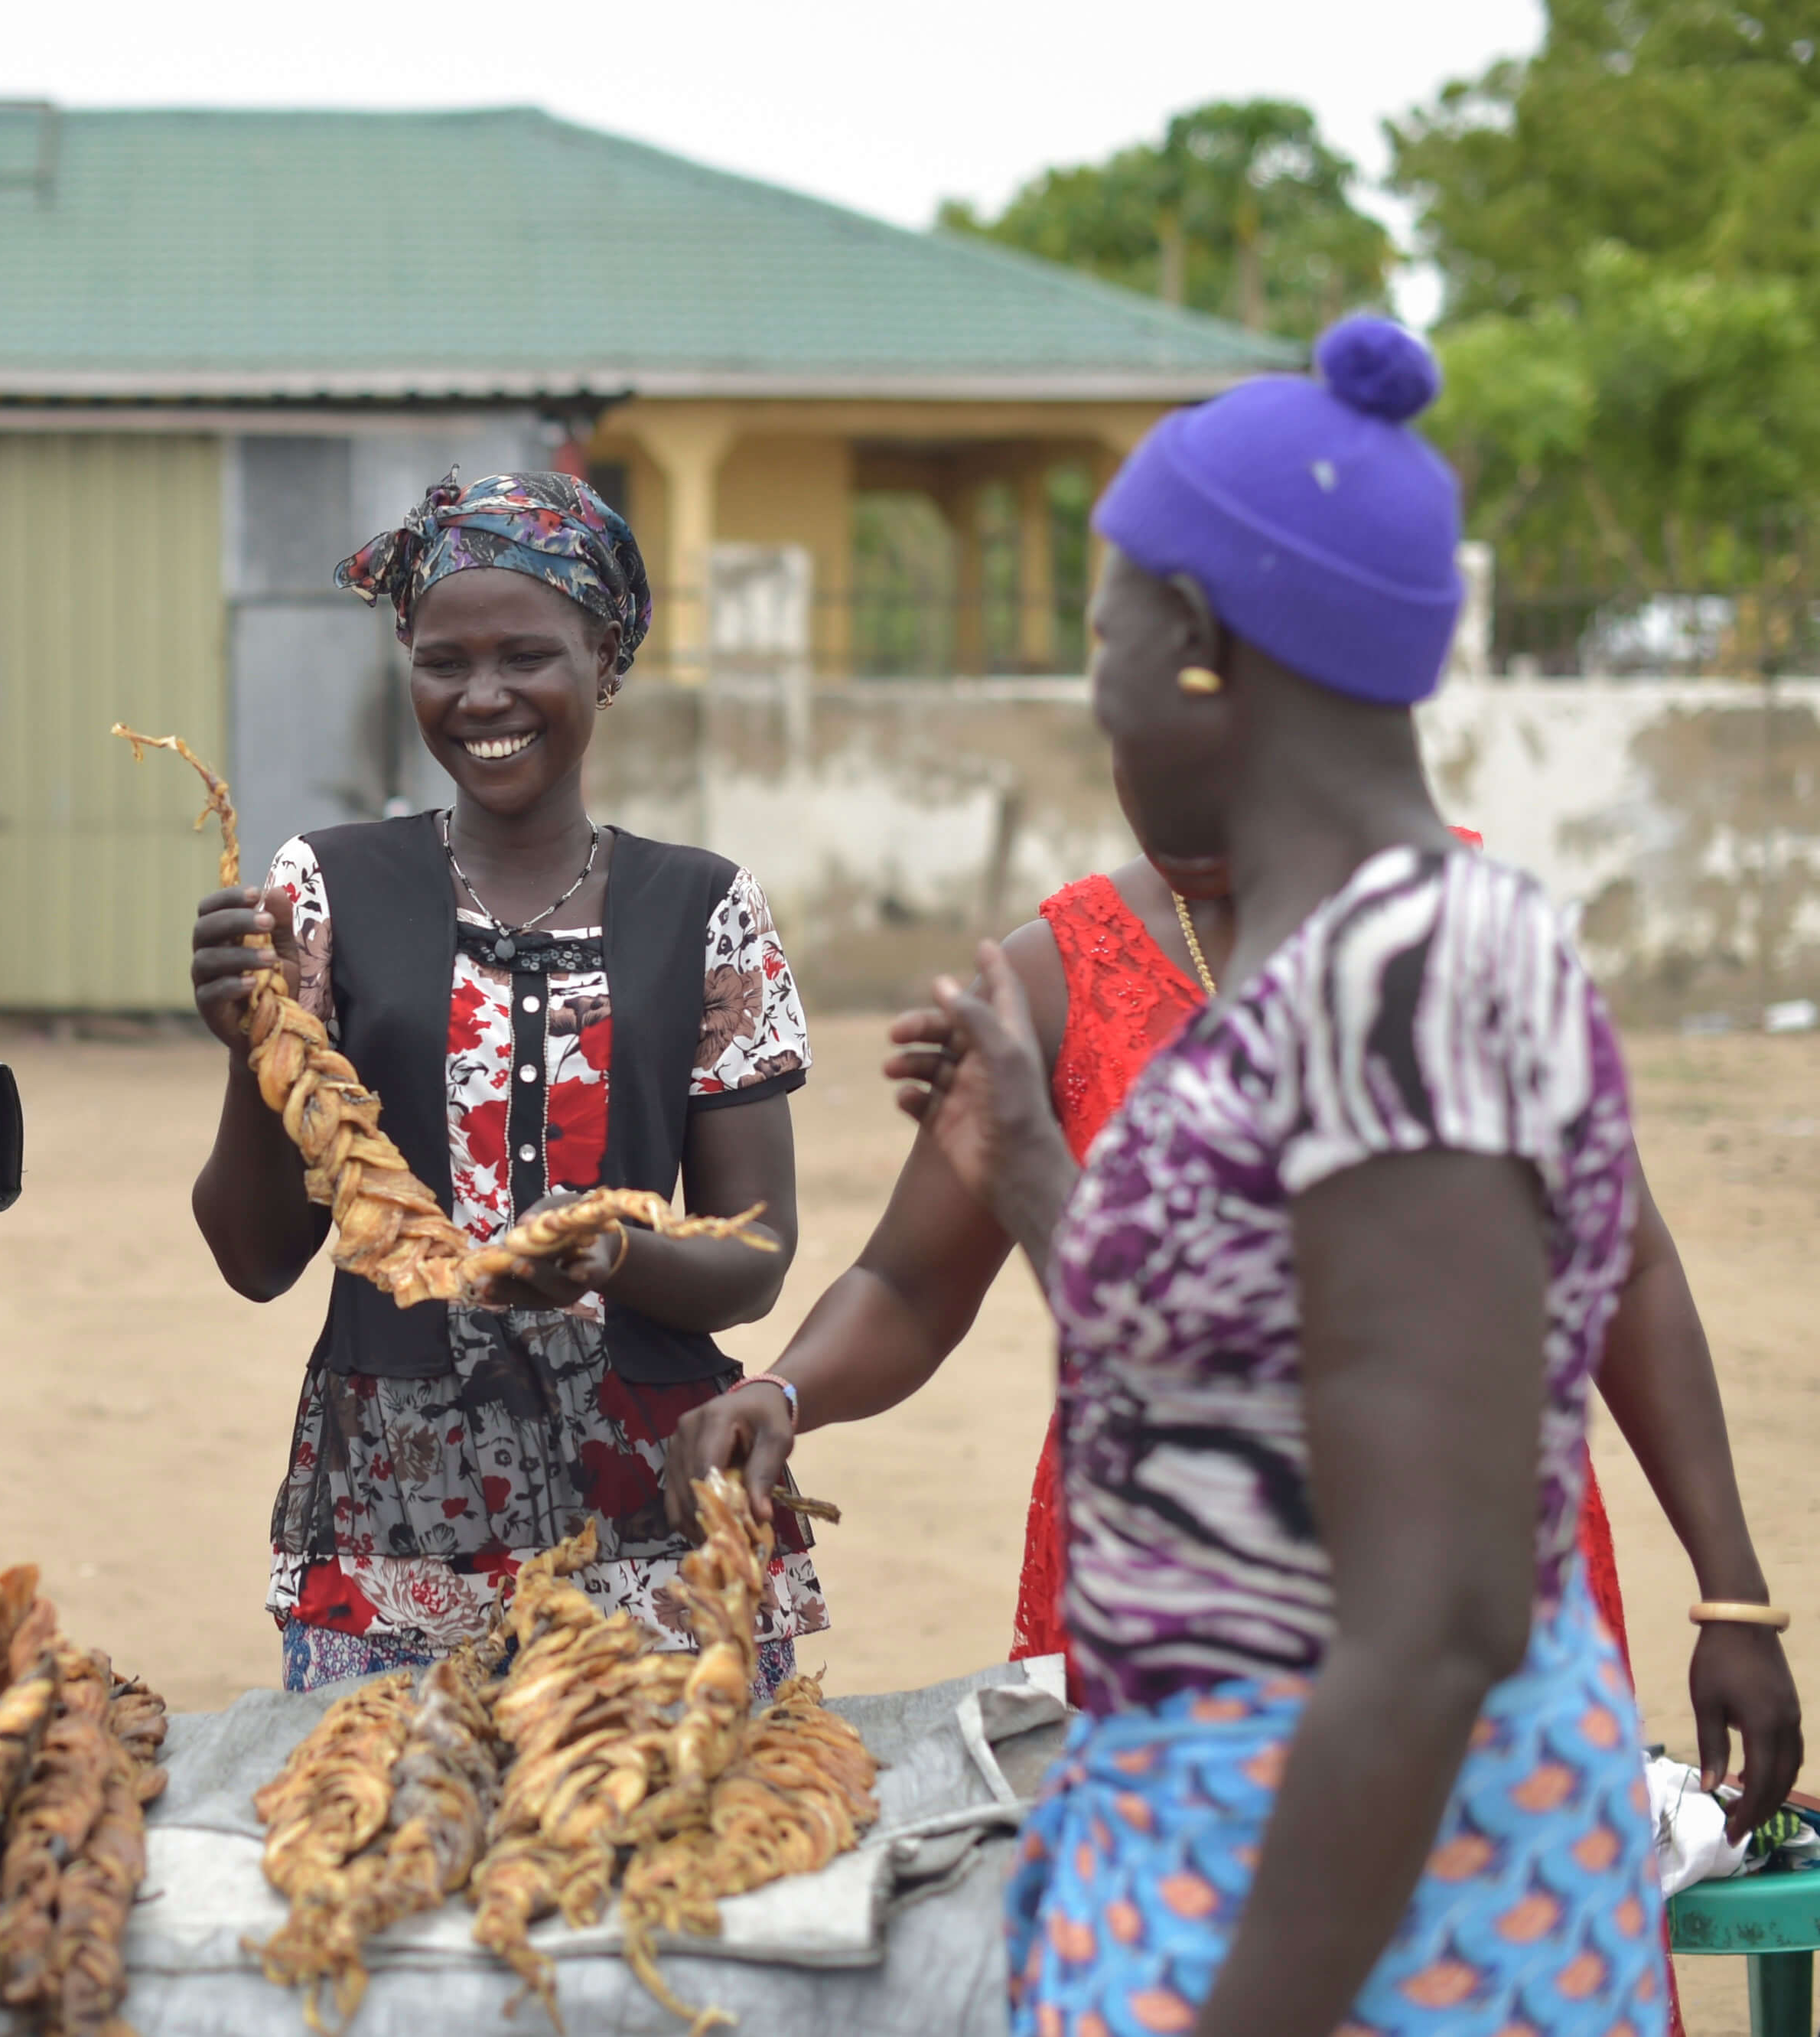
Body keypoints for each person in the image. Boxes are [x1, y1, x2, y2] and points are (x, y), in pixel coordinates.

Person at [904, 318, 1784, 2035]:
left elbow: (1432, 1618)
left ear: (1199, 643)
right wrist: (1024, 1168)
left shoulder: (1398, 1004)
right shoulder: (1398, 959)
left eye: (1100, 632)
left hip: (1371, 1920)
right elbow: (1245, 1394)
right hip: (1271, 1853)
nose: (1088, 684)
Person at [663, 827, 1802, 1831]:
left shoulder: (1471, 938)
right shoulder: (1053, 972)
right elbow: (910, 1287)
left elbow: (1627, 1260)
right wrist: (791, 1388)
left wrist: (1734, 1594)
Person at [187, 470, 817, 1693]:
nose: (482, 697)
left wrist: (607, 1255)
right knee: (391, 1843)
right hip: (399, 1501)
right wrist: (248, 1043)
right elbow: (255, 1256)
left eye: (527, 655)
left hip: (658, 1505)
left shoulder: (705, 907)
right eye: (442, 660)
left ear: (607, 658)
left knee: (661, 1848)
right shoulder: (324, 888)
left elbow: (758, 1254)